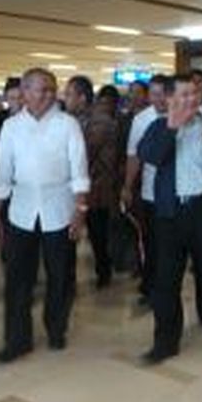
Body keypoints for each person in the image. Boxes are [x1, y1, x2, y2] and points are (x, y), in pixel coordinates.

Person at [138, 74, 202, 365]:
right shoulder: (158, 126)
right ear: (169, 99)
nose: (191, 100)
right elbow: (152, 156)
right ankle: (166, 340)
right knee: (166, 279)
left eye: (195, 94)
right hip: (169, 213)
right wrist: (172, 126)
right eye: (183, 95)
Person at [0, 68, 90, 363]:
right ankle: (17, 340)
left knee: (61, 276)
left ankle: (56, 329)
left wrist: (80, 210)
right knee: (18, 279)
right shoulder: (11, 127)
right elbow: (2, 173)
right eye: (40, 89)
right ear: (24, 91)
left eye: (51, 89)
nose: (47, 94)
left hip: (59, 210)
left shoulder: (67, 124)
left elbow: (79, 171)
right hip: (21, 211)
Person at [65, 75, 120, 288]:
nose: (65, 99)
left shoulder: (101, 122)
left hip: (96, 190)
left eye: (69, 94)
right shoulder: (71, 120)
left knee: (98, 236)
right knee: (73, 234)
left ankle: (103, 273)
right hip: (76, 189)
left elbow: (83, 155)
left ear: (82, 97)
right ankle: (70, 277)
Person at [122, 74, 171, 306]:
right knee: (151, 243)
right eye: (154, 94)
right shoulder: (141, 119)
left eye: (163, 94)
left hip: (175, 195)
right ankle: (150, 287)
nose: (159, 99)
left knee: (169, 246)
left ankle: (166, 287)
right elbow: (134, 156)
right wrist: (128, 186)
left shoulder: (179, 116)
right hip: (150, 192)